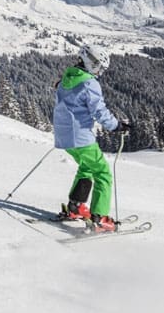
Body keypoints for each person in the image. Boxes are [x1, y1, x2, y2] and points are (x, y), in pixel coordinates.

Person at [53, 43, 130, 232]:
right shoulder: (89, 83)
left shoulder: (66, 79)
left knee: (86, 167)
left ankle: (76, 207)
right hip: (80, 137)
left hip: (64, 136)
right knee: (103, 173)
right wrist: (117, 126)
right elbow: (99, 112)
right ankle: (99, 217)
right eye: (99, 67)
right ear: (92, 62)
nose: (100, 72)